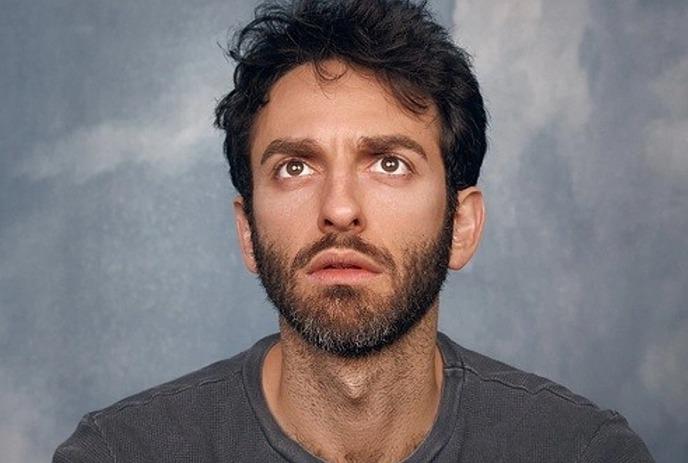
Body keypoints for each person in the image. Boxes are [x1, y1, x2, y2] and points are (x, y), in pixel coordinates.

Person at [54, 1, 655, 462]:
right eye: (295, 167)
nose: (339, 208)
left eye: (389, 163)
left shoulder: (580, 452)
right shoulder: (122, 453)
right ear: (247, 231)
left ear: (462, 226)